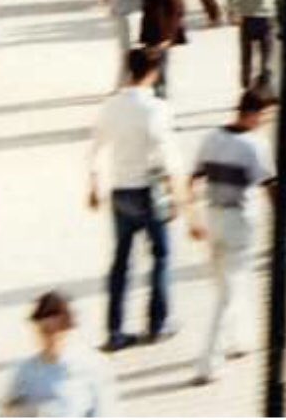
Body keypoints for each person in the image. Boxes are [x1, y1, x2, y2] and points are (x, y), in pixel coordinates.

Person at [88, 48, 188, 353]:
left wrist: (93, 185)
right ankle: (157, 323)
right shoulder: (157, 108)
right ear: (154, 73)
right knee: (160, 256)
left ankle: (115, 330)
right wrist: (180, 194)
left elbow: (96, 147)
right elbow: (168, 154)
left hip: (120, 192)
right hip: (149, 191)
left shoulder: (110, 106)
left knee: (120, 262)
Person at [187, 87, 276, 385]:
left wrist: (194, 218)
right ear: (253, 114)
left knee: (229, 283)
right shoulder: (256, 145)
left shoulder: (211, 138)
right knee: (229, 291)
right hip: (240, 223)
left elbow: (193, 179)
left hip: (213, 218)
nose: (265, 122)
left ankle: (241, 339)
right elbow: (270, 185)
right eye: (265, 115)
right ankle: (208, 362)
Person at [2, 291, 115, 417]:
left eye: (57, 331)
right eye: (45, 331)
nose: (50, 339)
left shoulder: (92, 368)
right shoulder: (25, 372)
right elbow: (8, 413)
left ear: (70, 329)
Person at [226, 0, 283, 89]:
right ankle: (245, 89)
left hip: (267, 21)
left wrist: (281, 20)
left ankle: (264, 89)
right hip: (248, 19)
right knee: (246, 59)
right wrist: (233, 13)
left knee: (267, 61)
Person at [139, 0, 188, 99]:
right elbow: (152, 11)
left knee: (162, 76)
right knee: (158, 78)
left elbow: (176, 7)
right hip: (158, 37)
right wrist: (160, 39)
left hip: (166, 36)